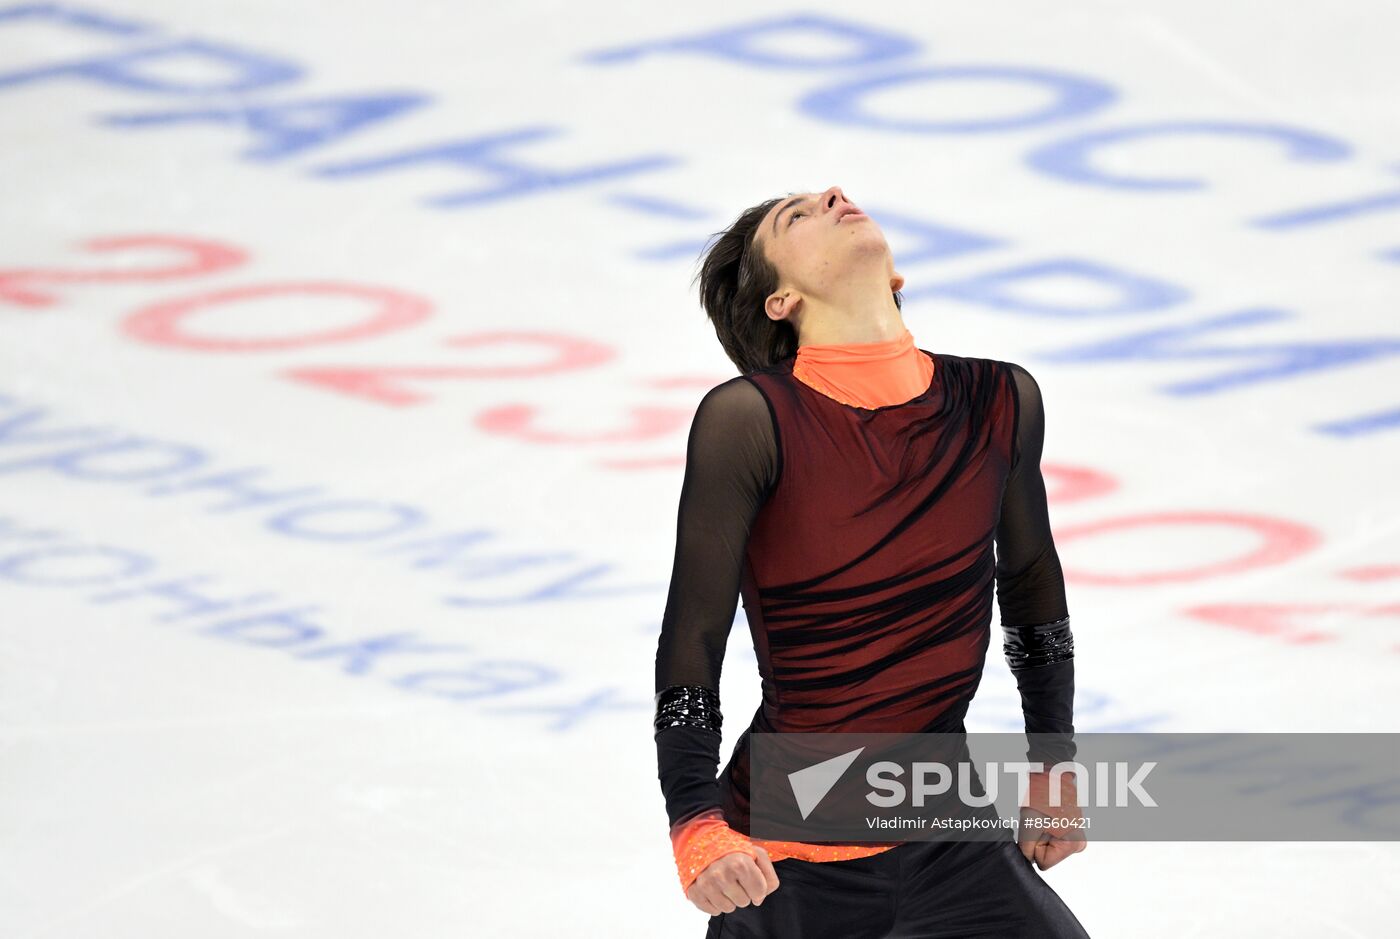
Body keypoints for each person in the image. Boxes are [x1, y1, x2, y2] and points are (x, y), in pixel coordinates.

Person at [653, 186, 1090, 937]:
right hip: (787, 857)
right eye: (796, 217)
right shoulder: (751, 420)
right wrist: (695, 819)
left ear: (895, 277)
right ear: (780, 300)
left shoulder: (1000, 398)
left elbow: (1030, 586)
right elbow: (693, 636)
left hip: (952, 834)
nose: (833, 195)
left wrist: (1052, 759)